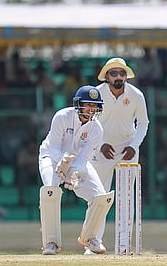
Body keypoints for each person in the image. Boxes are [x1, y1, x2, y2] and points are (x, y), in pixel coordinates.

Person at [38, 85, 113, 255]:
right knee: (51, 191)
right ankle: (50, 243)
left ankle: (91, 238)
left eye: (95, 106)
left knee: (101, 197)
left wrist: (74, 173)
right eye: (88, 105)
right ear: (78, 104)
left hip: (77, 162)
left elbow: (84, 158)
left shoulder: (96, 129)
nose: (92, 109)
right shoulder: (62, 117)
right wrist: (62, 164)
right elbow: (54, 148)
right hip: (50, 157)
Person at [91, 57, 149, 255]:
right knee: (98, 196)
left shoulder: (136, 95)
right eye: (114, 73)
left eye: (122, 73)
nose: (118, 77)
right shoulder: (97, 94)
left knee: (126, 197)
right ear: (106, 76)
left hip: (127, 149)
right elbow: (88, 121)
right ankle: (93, 242)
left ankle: (124, 244)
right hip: (101, 148)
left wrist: (133, 146)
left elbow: (143, 123)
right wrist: (99, 144)